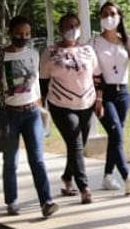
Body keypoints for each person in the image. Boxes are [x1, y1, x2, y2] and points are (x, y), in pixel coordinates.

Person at [0, 15, 57, 217]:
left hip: (31, 111)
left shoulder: (33, 54)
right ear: (10, 33)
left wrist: (40, 106)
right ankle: (12, 200)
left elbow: (36, 84)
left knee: (37, 159)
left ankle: (46, 200)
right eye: (18, 34)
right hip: (9, 114)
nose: (23, 37)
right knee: (10, 160)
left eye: (27, 34)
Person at [41, 13, 102, 203]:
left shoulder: (88, 51)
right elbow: (43, 80)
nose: (72, 29)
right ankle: (84, 187)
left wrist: (99, 100)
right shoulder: (50, 53)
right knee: (75, 143)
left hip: (87, 102)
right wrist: (40, 105)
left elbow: (97, 76)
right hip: (61, 105)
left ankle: (67, 177)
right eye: (68, 26)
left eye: (76, 25)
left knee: (78, 144)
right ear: (60, 29)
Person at [93, 0, 130, 194]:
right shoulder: (95, 42)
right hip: (104, 93)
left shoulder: (127, 40)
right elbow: (92, 70)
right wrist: (97, 99)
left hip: (123, 93)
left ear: (119, 16)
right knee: (116, 134)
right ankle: (126, 176)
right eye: (105, 14)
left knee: (116, 136)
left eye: (112, 13)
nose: (109, 17)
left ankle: (107, 176)